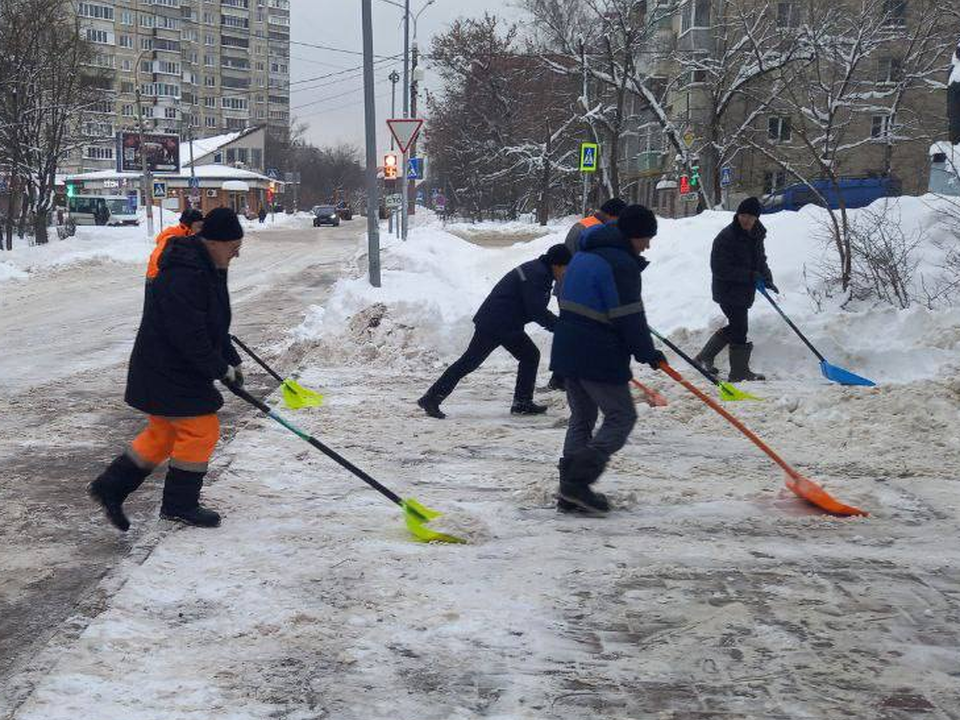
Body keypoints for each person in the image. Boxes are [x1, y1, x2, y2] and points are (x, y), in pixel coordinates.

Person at [88, 207, 245, 530]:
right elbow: (188, 334)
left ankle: (111, 486)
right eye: (233, 248)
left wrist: (229, 357)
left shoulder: (207, 265)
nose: (236, 255)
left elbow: (211, 322)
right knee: (201, 429)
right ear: (215, 242)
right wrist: (220, 369)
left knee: (164, 432)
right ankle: (179, 504)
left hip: (172, 366)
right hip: (167, 366)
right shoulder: (186, 271)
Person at [550, 204, 665, 515]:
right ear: (632, 235)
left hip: (567, 346)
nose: (648, 245)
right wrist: (647, 353)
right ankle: (576, 482)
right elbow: (629, 316)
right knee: (621, 416)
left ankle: (568, 491)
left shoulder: (586, 254)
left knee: (582, 419)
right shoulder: (621, 265)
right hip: (597, 351)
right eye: (646, 238)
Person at [417, 244, 572, 419]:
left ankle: (522, 402)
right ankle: (431, 398)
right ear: (557, 265)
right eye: (566, 269)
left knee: (529, 356)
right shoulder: (538, 275)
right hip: (497, 323)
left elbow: (533, 308)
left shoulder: (538, 270)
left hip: (505, 322)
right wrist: (561, 328)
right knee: (469, 362)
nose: (565, 274)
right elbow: (535, 310)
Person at [694, 197, 777, 383]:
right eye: (743, 215)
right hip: (727, 290)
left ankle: (704, 357)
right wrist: (750, 276)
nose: (746, 219)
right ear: (738, 214)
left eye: (750, 216)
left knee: (736, 327)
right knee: (740, 328)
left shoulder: (756, 234)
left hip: (744, 290)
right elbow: (719, 269)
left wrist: (767, 277)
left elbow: (760, 259)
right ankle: (739, 372)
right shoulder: (727, 237)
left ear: (756, 218)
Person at [146, 208, 204, 281]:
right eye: (199, 226)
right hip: (157, 280)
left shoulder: (186, 236)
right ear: (189, 224)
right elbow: (159, 262)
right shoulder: (171, 238)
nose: (200, 229)